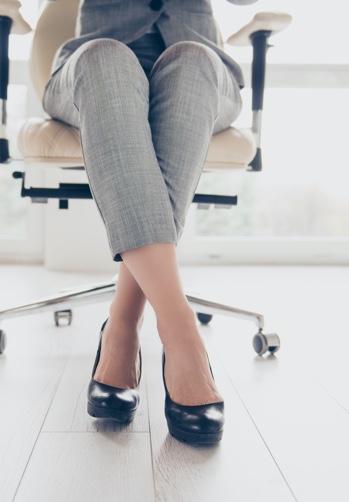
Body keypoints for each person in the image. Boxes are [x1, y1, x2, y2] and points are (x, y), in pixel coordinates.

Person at [42, 0, 256, 444]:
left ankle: (122, 323)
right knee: (108, 58)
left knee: (190, 60)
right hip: (92, 62)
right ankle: (181, 334)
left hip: (199, 66)